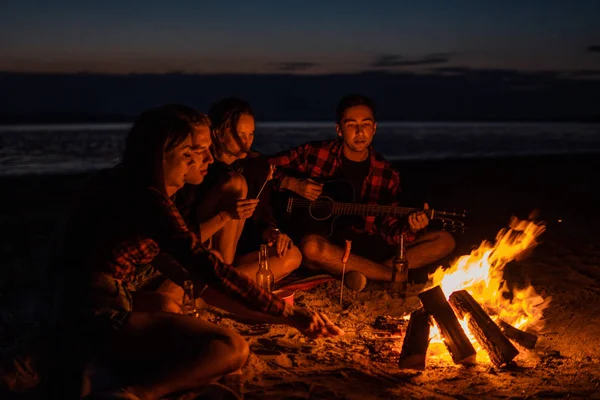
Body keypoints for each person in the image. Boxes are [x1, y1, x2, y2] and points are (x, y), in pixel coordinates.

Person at [46, 105, 343, 399]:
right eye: (194, 151)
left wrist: (286, 316)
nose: (208, 158)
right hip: (90, 313)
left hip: (76, 301)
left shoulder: (122, 184)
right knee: (231, 347)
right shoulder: (149, 200)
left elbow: (198, 279)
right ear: (164, 153)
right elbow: (206, 268)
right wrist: (289, 313)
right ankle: (135, 394)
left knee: (167, 305)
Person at [268, 94, 456, 290]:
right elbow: (262, 166)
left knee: (444, 240)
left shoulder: (387, 173)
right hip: (326, 248)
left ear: (374, 128)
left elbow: (389, 231)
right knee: (311, 247)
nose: (359, 132)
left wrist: (411, 227)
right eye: (351, 125)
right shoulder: (315, 154)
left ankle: (367, 273)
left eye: (366, 124)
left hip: (367, 249)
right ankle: (388, 276)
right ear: (339, 130)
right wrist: (292, 183)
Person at [174, 97, 301, 284]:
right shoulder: (198, 170)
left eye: (251, 135)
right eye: (240, 135)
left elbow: (262, 219)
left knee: (292, 255)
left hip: (238, 257)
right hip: (204, 251)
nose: (247, 142)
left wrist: (273, 233)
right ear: (218, 134)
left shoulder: (256, 167)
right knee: (235, 183)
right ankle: (227, 285)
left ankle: (221, 285)